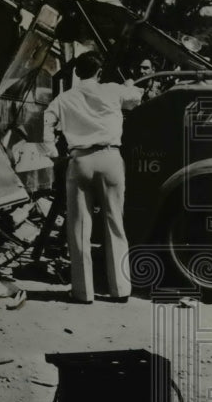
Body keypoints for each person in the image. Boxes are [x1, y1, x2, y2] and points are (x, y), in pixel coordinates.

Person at [43, 51, 143, 303]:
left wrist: (53, 153)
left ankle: (82, 292)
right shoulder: (112, 90)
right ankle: (120, 289)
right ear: (99, 73)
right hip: (110, 158)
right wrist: (130, 85)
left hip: (80, 161)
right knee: (115, 224)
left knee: (79, 227)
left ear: (76, 73)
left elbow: (44, 122)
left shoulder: (64, 98)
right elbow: (135, 99)